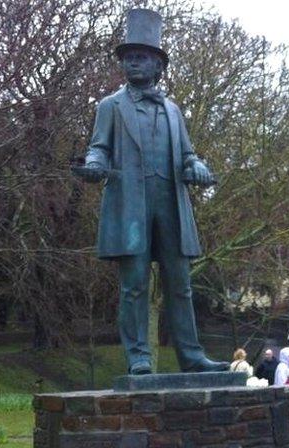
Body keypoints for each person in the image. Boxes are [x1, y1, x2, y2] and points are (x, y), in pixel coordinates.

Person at [72, 8, 227, 375]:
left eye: (141, 58)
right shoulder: (110, 106)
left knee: (181, 285)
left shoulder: (173, 110)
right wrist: (94, 165)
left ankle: (191, 357)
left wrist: (197, 167)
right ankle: (139, 357)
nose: (132, 64)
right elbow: (99, 147)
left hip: (170, 204)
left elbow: (188, 155)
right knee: (134, 287)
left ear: (158, 66)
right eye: (128, 59)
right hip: (131, 206)